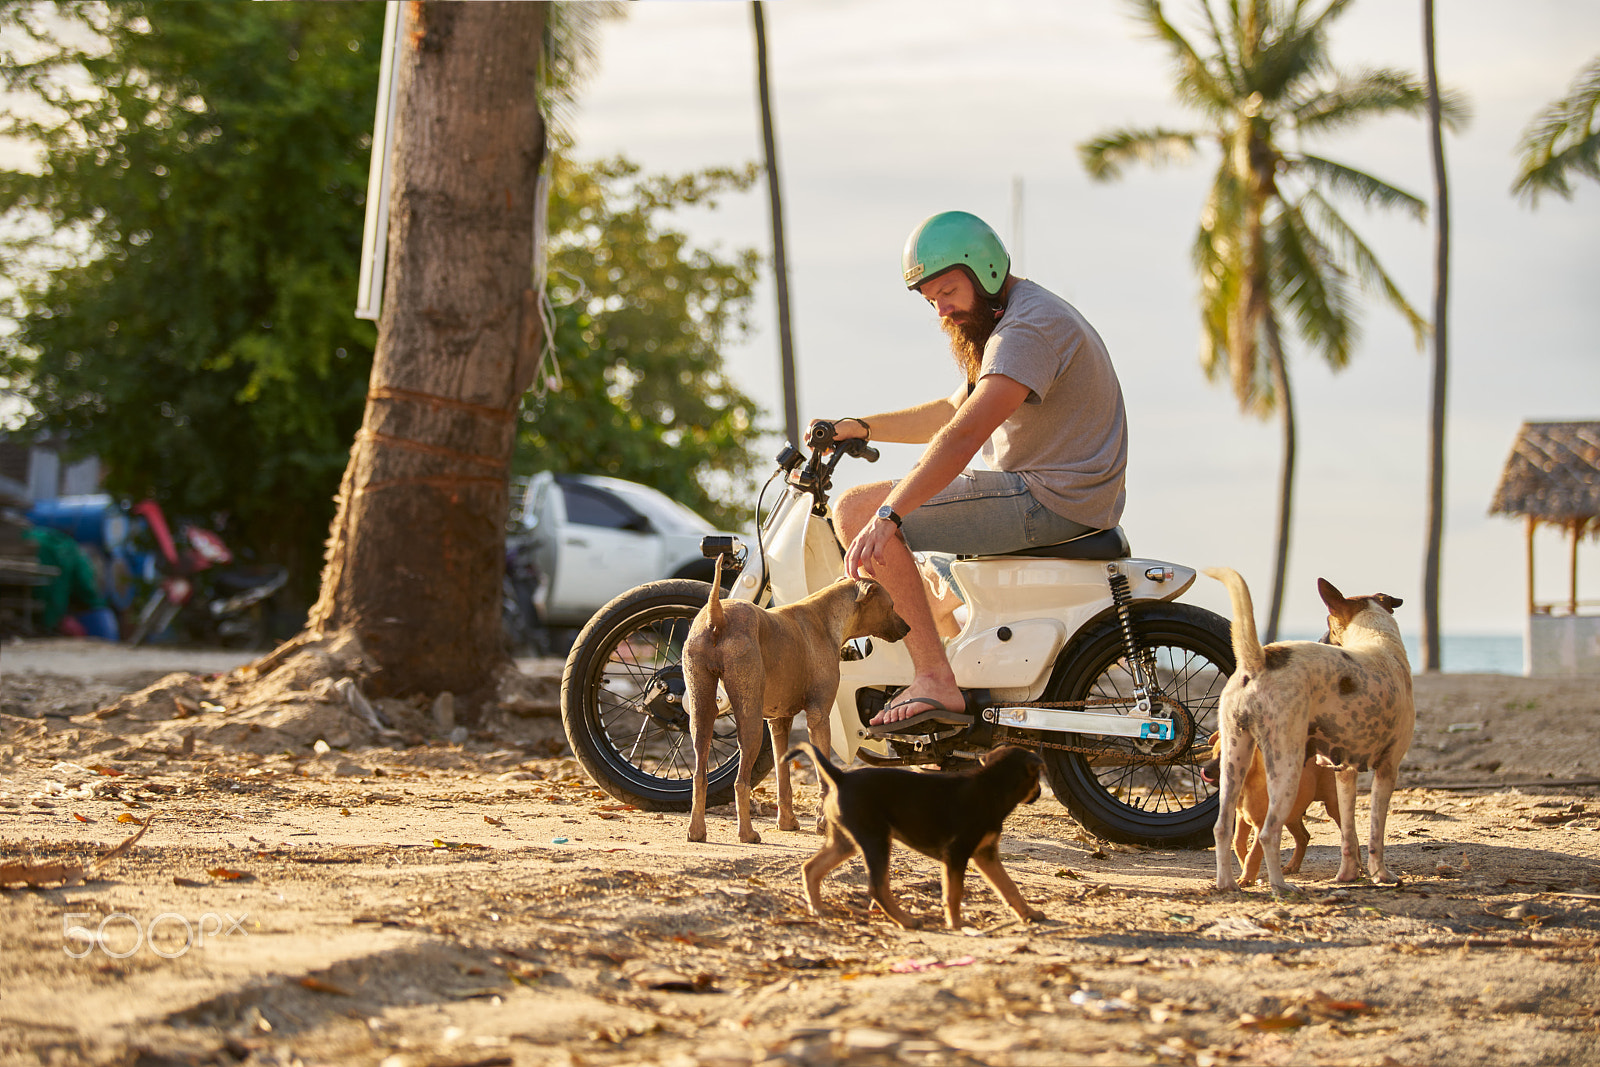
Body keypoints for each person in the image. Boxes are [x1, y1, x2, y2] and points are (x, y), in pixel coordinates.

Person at [825, 210, 1129, 730]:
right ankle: (956, 716)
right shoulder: (1008, 320)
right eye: (931, 300)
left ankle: (935, 682)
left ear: (985, 269)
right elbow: (953, 412)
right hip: (1062, 494)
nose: (942, 309)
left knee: (856, 509)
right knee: (923, 578)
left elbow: (964, 436)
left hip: (1049, 498)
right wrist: (859, 427)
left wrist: (889, 513)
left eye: (949, 291)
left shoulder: (1028, 329)